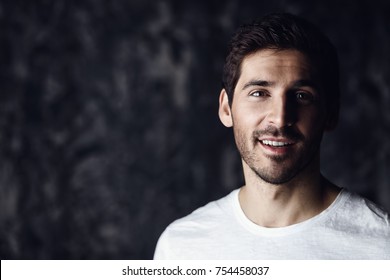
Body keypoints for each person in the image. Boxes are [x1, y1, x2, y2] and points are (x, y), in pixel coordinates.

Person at [154, 13, 390, 259]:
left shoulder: (380, 245)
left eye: (301, 95)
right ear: (226, 109)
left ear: (330, 113)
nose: (279, 118)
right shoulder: (180, 247)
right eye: (259, 93)